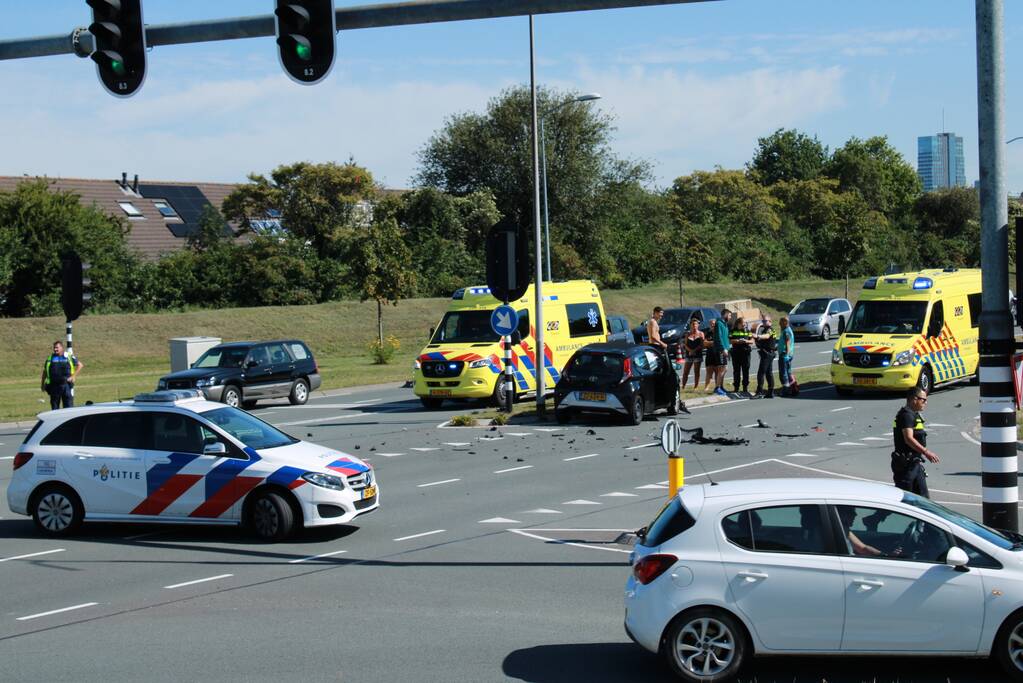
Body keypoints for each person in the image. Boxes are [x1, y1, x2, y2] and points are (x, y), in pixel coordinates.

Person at [892, 388, 940, 497]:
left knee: (923, 499)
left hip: (914, 463)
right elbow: (908, 438)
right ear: (914, 399)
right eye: (923, 400)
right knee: (905, 499)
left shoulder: (913, 414)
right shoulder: (906, 415)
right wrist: (926, 452)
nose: (925, 403)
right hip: (905, 466)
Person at [41, 340, 83, 409]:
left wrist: (73, 376)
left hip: (66, 385)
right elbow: (45, 372)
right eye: (54, 348)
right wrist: (42, 384)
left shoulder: (68, 356)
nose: (55, 349)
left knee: (68, 407)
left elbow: (80, 365)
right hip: (54, 386)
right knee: (55, 408)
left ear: (62, 348)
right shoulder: (50, 358)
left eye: (57, 347)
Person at [753, 316, 777, 398]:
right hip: (767, 353)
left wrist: (758, 336)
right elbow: (760, 342)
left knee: (761, 373)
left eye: (765, 321)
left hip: (768, 354)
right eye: (762, 320)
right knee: (768, 373)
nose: (763, 322)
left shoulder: (770, 329)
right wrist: (756, 339)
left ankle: (759, 392)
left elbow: (767, 336)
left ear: (770, 322)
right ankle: (770, 392)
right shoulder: (764, 330)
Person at [729, 315, 752, 395]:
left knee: (746, 370)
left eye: (745, 323)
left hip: (746, 353)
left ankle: (745, 387)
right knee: (736, 371)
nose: (744, 324)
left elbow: (752, 340)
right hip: (736, 353)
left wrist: (746, 341)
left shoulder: (747, 331)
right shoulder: (733, 331)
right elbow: (730, 340)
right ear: (738, 323)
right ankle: (736, 387)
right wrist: (738, 341)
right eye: (743, 323)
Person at [680, 317, 704, 392]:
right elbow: (685, 344)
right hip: (689, 354)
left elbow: (702, 345)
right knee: (686, 371)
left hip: (697, 354)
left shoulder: (701, 333)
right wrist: (690, 350)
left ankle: (696, 386)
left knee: (696, 371)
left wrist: (694, 350)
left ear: (698, 325)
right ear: (690, 325)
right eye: (693, 324)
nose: (694, 325)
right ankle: (683, 386)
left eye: (696, 324)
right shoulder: (687, 334)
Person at [778, 316, 796, 396]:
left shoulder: (786, 331)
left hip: (785, 355)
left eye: (781, 322)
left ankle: (786, 390)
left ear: (785, 322)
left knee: (783, 373)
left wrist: (786, 355)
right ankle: (793, 389)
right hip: (787, 354)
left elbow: (787, 343)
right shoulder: (787, 330)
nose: (779, 324)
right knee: (788, 373)